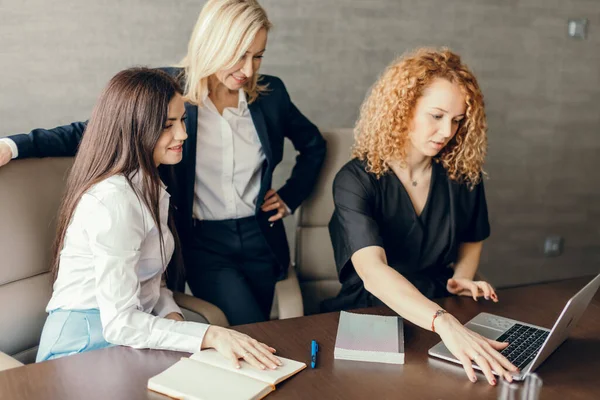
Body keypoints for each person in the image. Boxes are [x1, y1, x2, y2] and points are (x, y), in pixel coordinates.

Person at [0, 0, 326, 326]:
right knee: (252, 331)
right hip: (204, 243)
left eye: (257, 56)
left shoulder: (271, 95)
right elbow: (94, 131)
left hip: (260, 237)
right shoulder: (169, 90)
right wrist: (13, 145)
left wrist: (289, 196)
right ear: (212, 44)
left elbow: (313, 145)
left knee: (264, 327)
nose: (249, 70)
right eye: (239, 55)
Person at [35, 67, 281, 371]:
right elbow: (120, 323)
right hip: (83, 348)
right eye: (168, 125)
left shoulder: (152, 187)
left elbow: (151, 283)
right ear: (136, 128)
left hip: (129, 339)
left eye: (182, 120)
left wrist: (172, 317)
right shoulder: (115, 200)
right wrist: (209, 334)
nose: (183, 134)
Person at [324, 48, 517, 385]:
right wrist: (443, 322)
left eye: (457, 120)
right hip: (375, 310)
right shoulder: (355, 180)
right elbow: (373, 272)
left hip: (440, 300)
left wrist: (460, 278)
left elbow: (473, 237)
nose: (447, 131)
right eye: (437, 115)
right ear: (403, 109)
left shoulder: (461, 175)